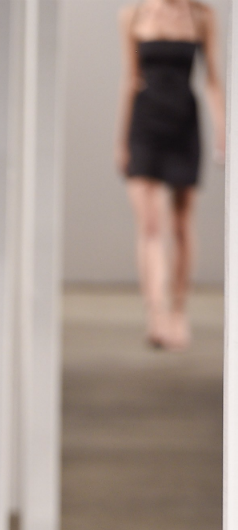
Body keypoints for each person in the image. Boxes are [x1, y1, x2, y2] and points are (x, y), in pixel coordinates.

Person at [116, 0, 225, 348]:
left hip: (183, 124)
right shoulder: (134, 16)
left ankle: (178, 311)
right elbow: (131, 78)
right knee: (150, 225)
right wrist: (122, 140)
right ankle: (156, 315)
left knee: (181, 224)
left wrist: (223, 132)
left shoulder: (201, 16)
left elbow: (212, 79)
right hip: (145, 125)